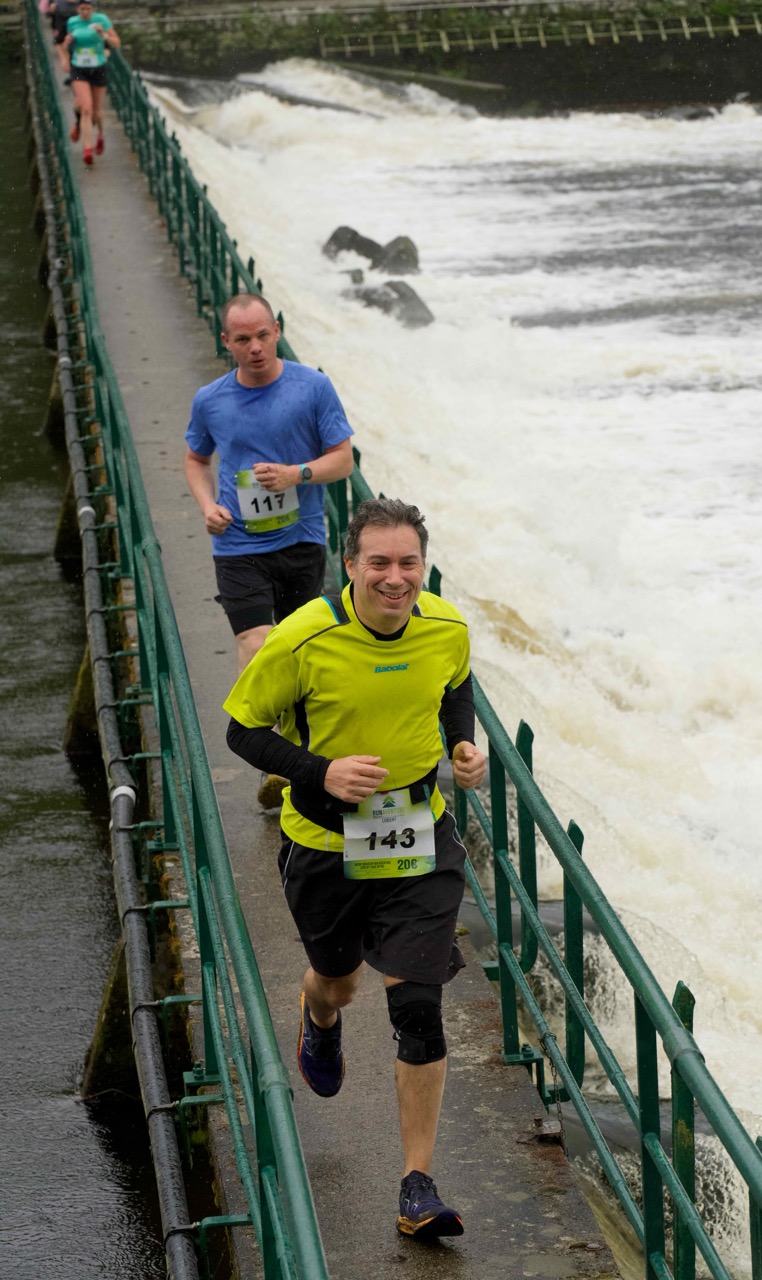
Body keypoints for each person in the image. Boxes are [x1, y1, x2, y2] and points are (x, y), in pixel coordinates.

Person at [223, 497, 487, 1240]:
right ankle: (319, 1013)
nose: (395, 578)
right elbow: (243, 729)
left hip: (417, 835)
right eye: (379, 562)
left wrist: (462, 746)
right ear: (349, 565)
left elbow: (455, 687)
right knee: (337, 980)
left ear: (423, 565)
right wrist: (321, 771)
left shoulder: (446, 626)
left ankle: (417, 1186)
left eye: (408, 562)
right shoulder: (304, 637)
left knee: (418, 1007)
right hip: (325, 844)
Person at [185, 292, 354, 804]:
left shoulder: (312, 387)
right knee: (257, 641)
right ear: (226, 342)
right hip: (237, 544)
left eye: (263, 335)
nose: (255, 347)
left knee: (299, 649)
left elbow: (343, 459)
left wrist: (296, 474)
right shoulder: (210, 400)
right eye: (243, 339)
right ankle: (268, 759)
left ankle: (298, 748)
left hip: (301, 539)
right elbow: (196, 459)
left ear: (277, 330)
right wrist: (207, 505)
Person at [64, 0, 119, 166]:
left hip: (98, 67)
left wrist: (103, 33)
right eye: (82, 9)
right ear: (77, 9)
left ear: (93, 9)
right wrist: (67, 45)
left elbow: (116, 43)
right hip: (79, 68)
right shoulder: (72, 22)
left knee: (96, 110)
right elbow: (68, 45)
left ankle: (100, 134)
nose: (85, 12)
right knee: (86, 108)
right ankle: (87, 149)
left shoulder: (102, 20)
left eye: (88, 9)